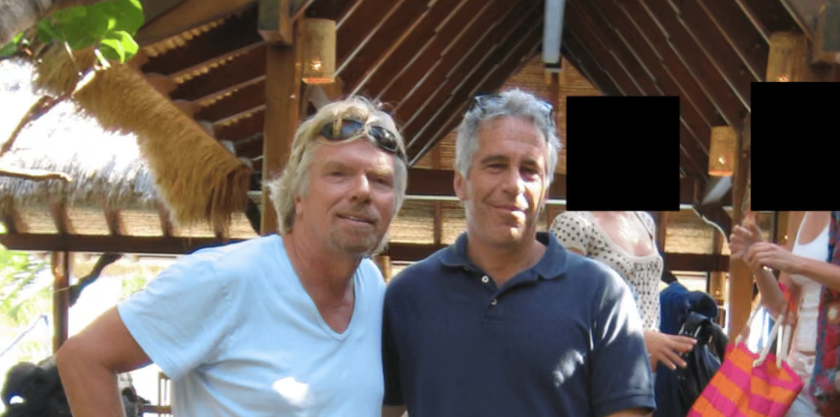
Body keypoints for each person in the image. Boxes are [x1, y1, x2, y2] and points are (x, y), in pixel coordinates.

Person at [55, 96, 409, 417]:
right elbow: (84, 358)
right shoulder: (223, 278)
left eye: (380, 180)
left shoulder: (371, 286)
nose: (362, 191)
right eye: (338, 174)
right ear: (298, 195)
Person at [381, 89, 655, 417]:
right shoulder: (408, 294)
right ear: (460, 183)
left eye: (530, 170)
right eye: (496, 165)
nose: (514, 184)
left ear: (546, 190)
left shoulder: (602, 294)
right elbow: (382, 410)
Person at [549, 211, 696, 373]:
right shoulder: (574, 222)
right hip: (597, 369)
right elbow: (561, 312)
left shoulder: (645, 220)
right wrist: (637, 338)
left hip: (645, 368)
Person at [730, 211, 840, 417]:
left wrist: (797, 263)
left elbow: (795, 263)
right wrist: (758, 262)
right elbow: (782, 306)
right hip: (799, 367)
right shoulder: (798, 214)